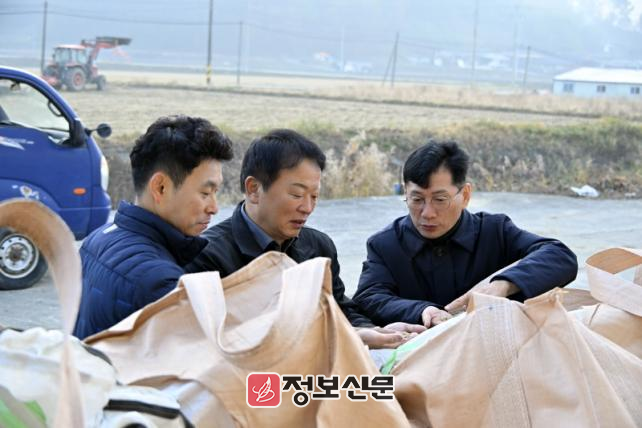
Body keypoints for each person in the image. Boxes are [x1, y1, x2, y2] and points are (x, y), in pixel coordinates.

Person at [186, 129, 424, 349]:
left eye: (315, 196)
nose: (307, 208)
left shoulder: (319, 247)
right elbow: (227, 343)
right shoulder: (207, 257)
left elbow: (341, 311)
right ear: (254, 189)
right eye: (296, 194)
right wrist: (348, 337)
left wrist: (373, 331)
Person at [353, 140, 578, 328]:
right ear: (405, 192)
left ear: (466, 195)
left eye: (440, 199)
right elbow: (369, 297)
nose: (427, 213)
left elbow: (559, 255)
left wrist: (501, 285)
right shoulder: (386, 245)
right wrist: (422, 310)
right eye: (417, 199)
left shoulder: (495, 232)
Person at [73, 115, 233, 339]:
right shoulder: (159, 282)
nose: (214, 208)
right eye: (205, 193)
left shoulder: (96, 239)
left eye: (216, 193)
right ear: (160, 188)